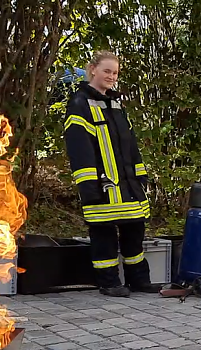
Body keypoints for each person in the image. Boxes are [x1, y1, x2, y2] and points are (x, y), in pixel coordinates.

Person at [64, 51, 163, 297]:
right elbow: (80, 149)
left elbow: (130, 145)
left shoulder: (116, 104)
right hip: (102, 187)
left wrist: (141, 177)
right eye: (107, 71)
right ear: (93, 70)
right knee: (104, 236)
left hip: (128, 185)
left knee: (135, 233)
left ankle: (139, 281)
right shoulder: (79, 104)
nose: (111, 76)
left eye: (115, 72)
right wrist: (89, 187)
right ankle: (108, 283)